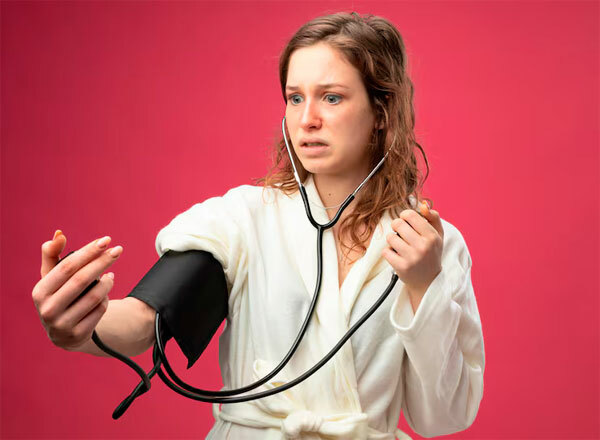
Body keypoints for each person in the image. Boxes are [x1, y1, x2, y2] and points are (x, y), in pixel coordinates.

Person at [32, 12, 485, 440]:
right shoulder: (242, 218)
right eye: (295, 97)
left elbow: (443, 416)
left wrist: (424, 287)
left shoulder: (433, 245)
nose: (307, 119)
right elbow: (144, 321)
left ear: (382, 110)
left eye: (331, 97)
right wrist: (80, 322)